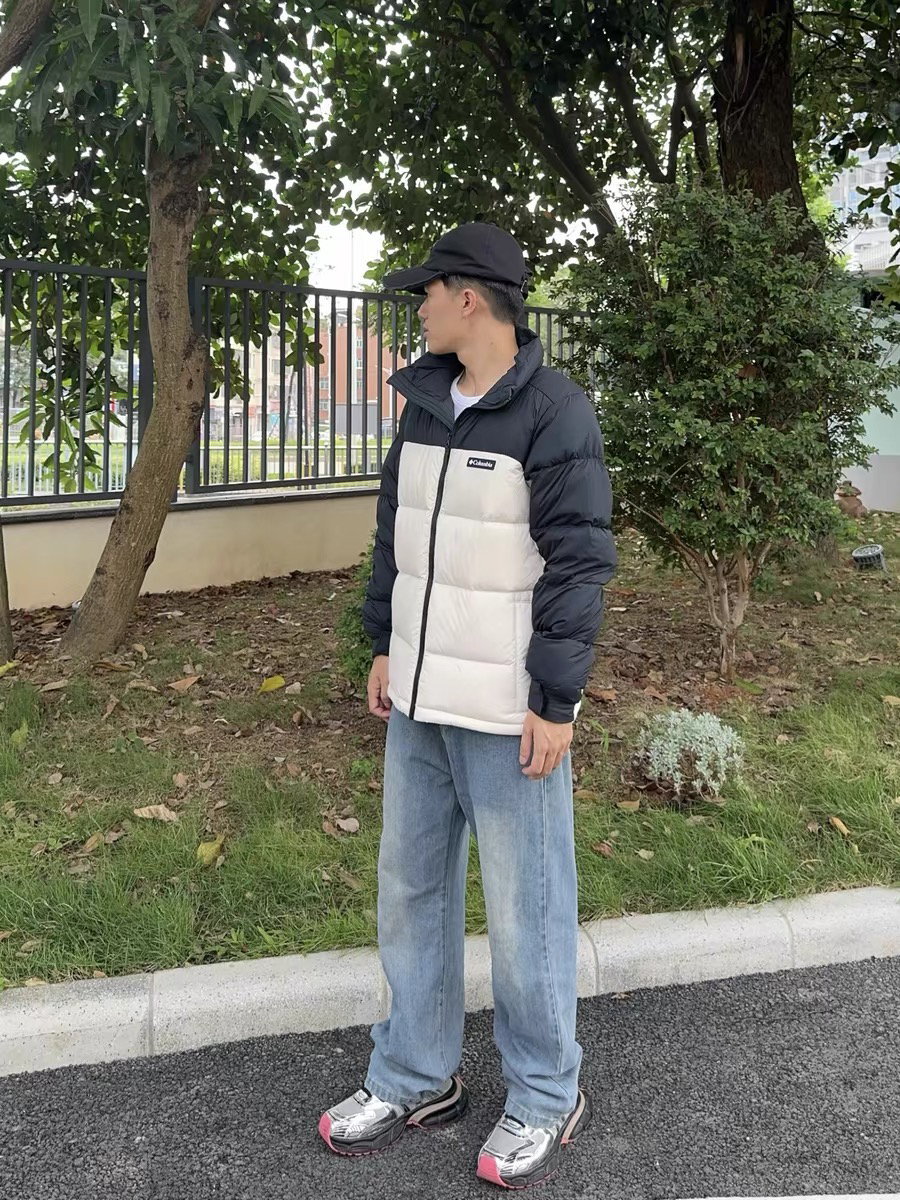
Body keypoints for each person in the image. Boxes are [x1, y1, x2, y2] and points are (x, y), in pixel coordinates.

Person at [317, 222, 616, 1190]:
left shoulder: (554, 412)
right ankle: (415, 1076)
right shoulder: (424, 404)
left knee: (529, 911)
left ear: (471, 299)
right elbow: (395, 533)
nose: (420, 310)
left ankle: (545, 1092)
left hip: (505, 711)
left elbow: (580, 563)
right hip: (419, 700)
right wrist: (382, 644)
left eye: (428, 293)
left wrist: (555, 702)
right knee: (411, 892)